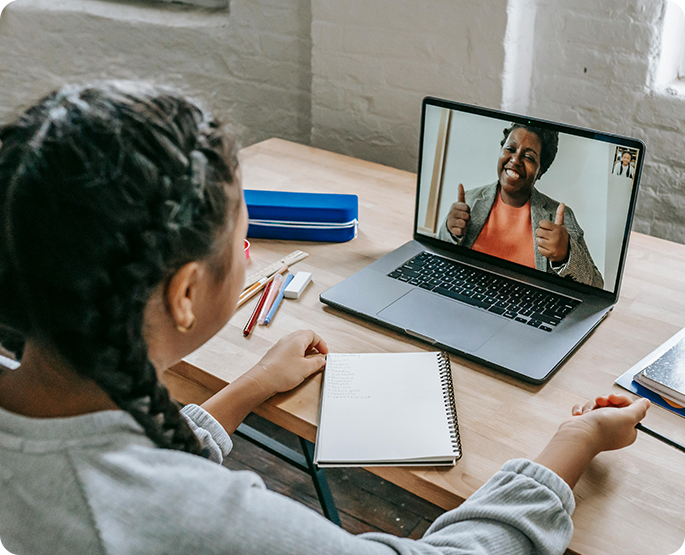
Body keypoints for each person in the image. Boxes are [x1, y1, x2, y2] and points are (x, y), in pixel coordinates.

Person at [0, 82, 650, 555]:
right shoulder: (202, 520)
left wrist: (246, 390)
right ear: (186, 293)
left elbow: (122, 459)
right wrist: (572, 443)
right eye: (242, 234)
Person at [438, 123, 604, 288]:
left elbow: (596, 285)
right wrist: (449, 231)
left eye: (529, 157)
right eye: (510, 148)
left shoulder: (560, 217)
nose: (515, 160)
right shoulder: (469, 200)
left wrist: (566, 255)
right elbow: (439, 261)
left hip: (526, 310)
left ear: (540, 171)